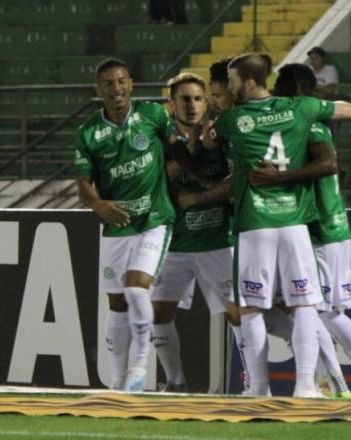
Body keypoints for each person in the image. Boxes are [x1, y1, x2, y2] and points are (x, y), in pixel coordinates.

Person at [210, 53, 351, 398]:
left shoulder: (234, 118)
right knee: (304, 303)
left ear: (247, 82)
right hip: (295, 222)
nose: (229, 87)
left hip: (255, 222)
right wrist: (308, 110)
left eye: (232, 81)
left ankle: (259, 387)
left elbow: (209, 140)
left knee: (251, 306)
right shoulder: (300, 107)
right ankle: (305, 385)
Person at [269, 62, 351, 401]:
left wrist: (279, 178)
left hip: (320, 228)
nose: (275, 91)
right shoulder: (314, 121)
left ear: (294, 89)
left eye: (280, 84)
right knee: (329, 310)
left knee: (315, 310)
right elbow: (349, 110)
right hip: (336, 225)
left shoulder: (307, 123)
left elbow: (328, 164)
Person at [72, 57, 199, 392]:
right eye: (109, 83)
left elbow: (176, 149)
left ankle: (139, 369)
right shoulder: (89, 132)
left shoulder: (153, 115)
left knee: (135, 287)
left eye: (123, 81)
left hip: (154, 219)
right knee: (116, 303)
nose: (117, 88)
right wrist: (97, 204)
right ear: (99, 89)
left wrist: (200, 172)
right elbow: (83, 182)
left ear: (131, 84)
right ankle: (118, 383)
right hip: (117, 225)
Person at [149, 72, 240, 392]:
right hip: (175, 243)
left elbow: (237, 179)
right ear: (171, 105)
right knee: (158, 312)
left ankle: (255, 383)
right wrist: (186, 152)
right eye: (185, 99)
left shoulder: (221, 135)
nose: (192, 105)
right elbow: (156, 184)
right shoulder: (161, 140)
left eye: (198, 98)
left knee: (238, 315)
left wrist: (202, 196)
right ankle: (175, 382)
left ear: (207, 103)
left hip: (217, 239)